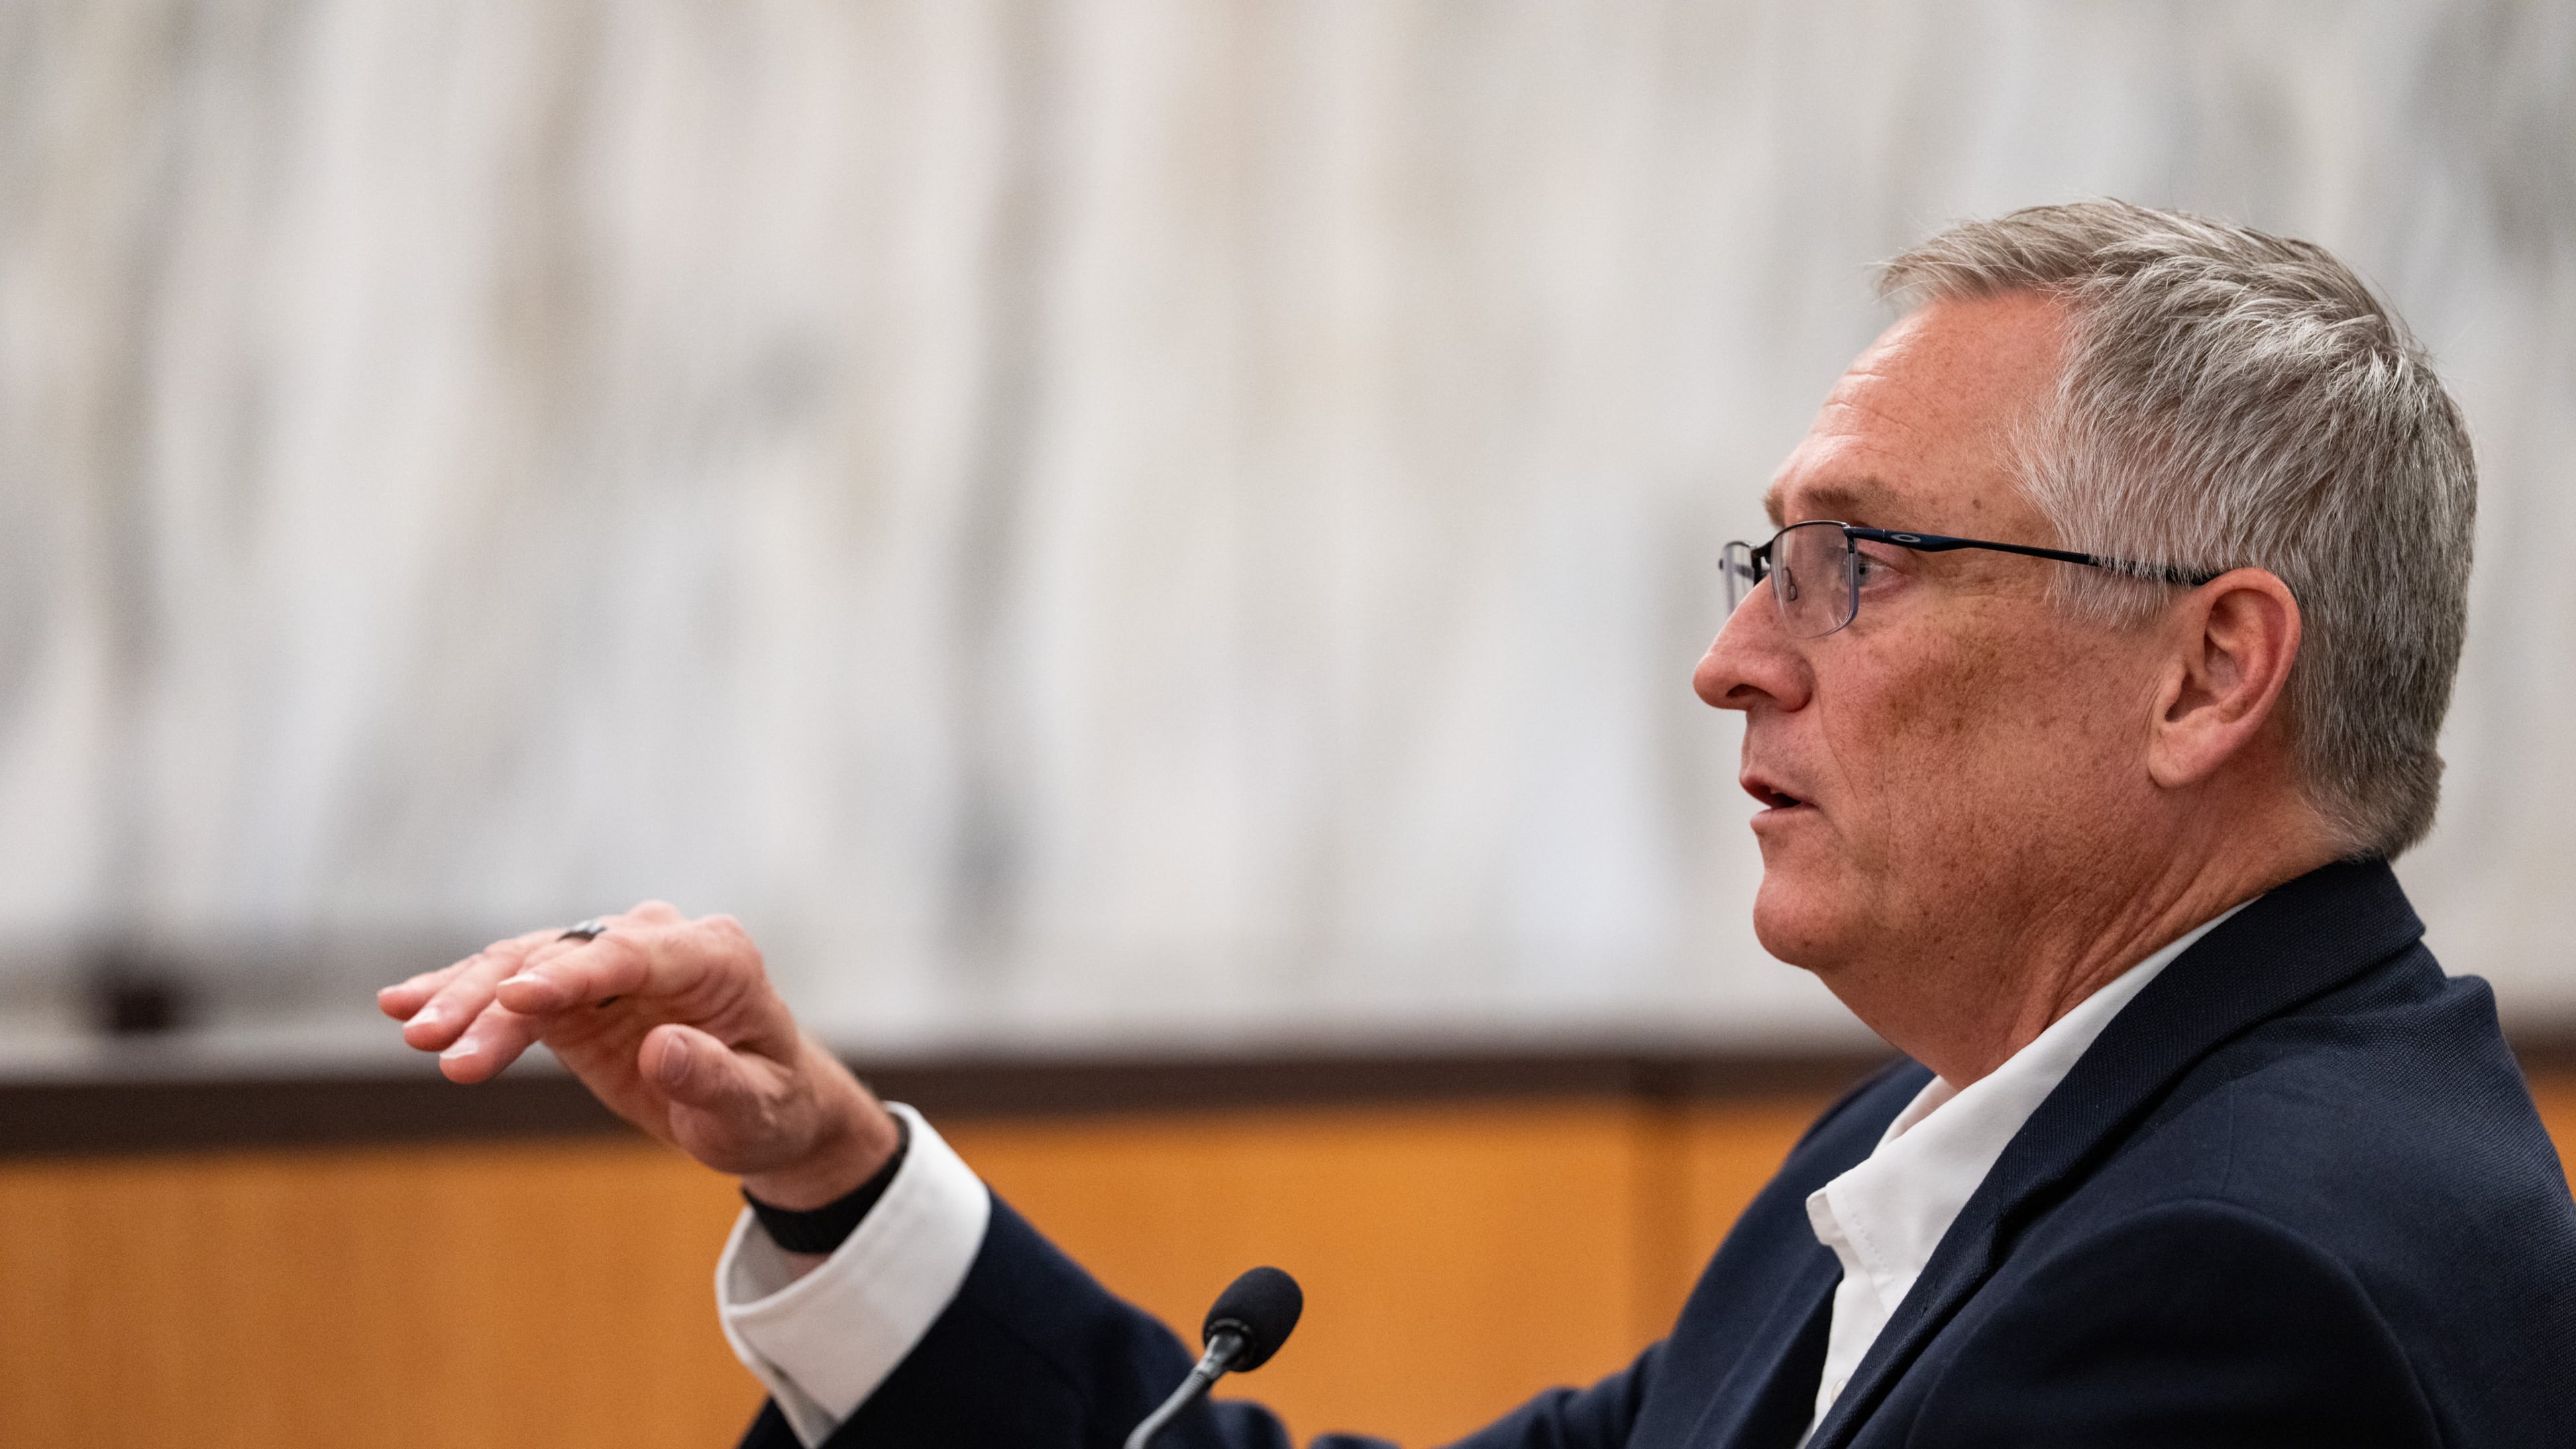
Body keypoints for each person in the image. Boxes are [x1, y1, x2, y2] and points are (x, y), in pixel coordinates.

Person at [378, 201, 2576, 1448]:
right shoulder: (1976, 1135)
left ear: (2210, 671)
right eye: (1764, 562)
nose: (1737, 663)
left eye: (1864, 565)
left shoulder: (2244, 1288)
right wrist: (839, 1184)